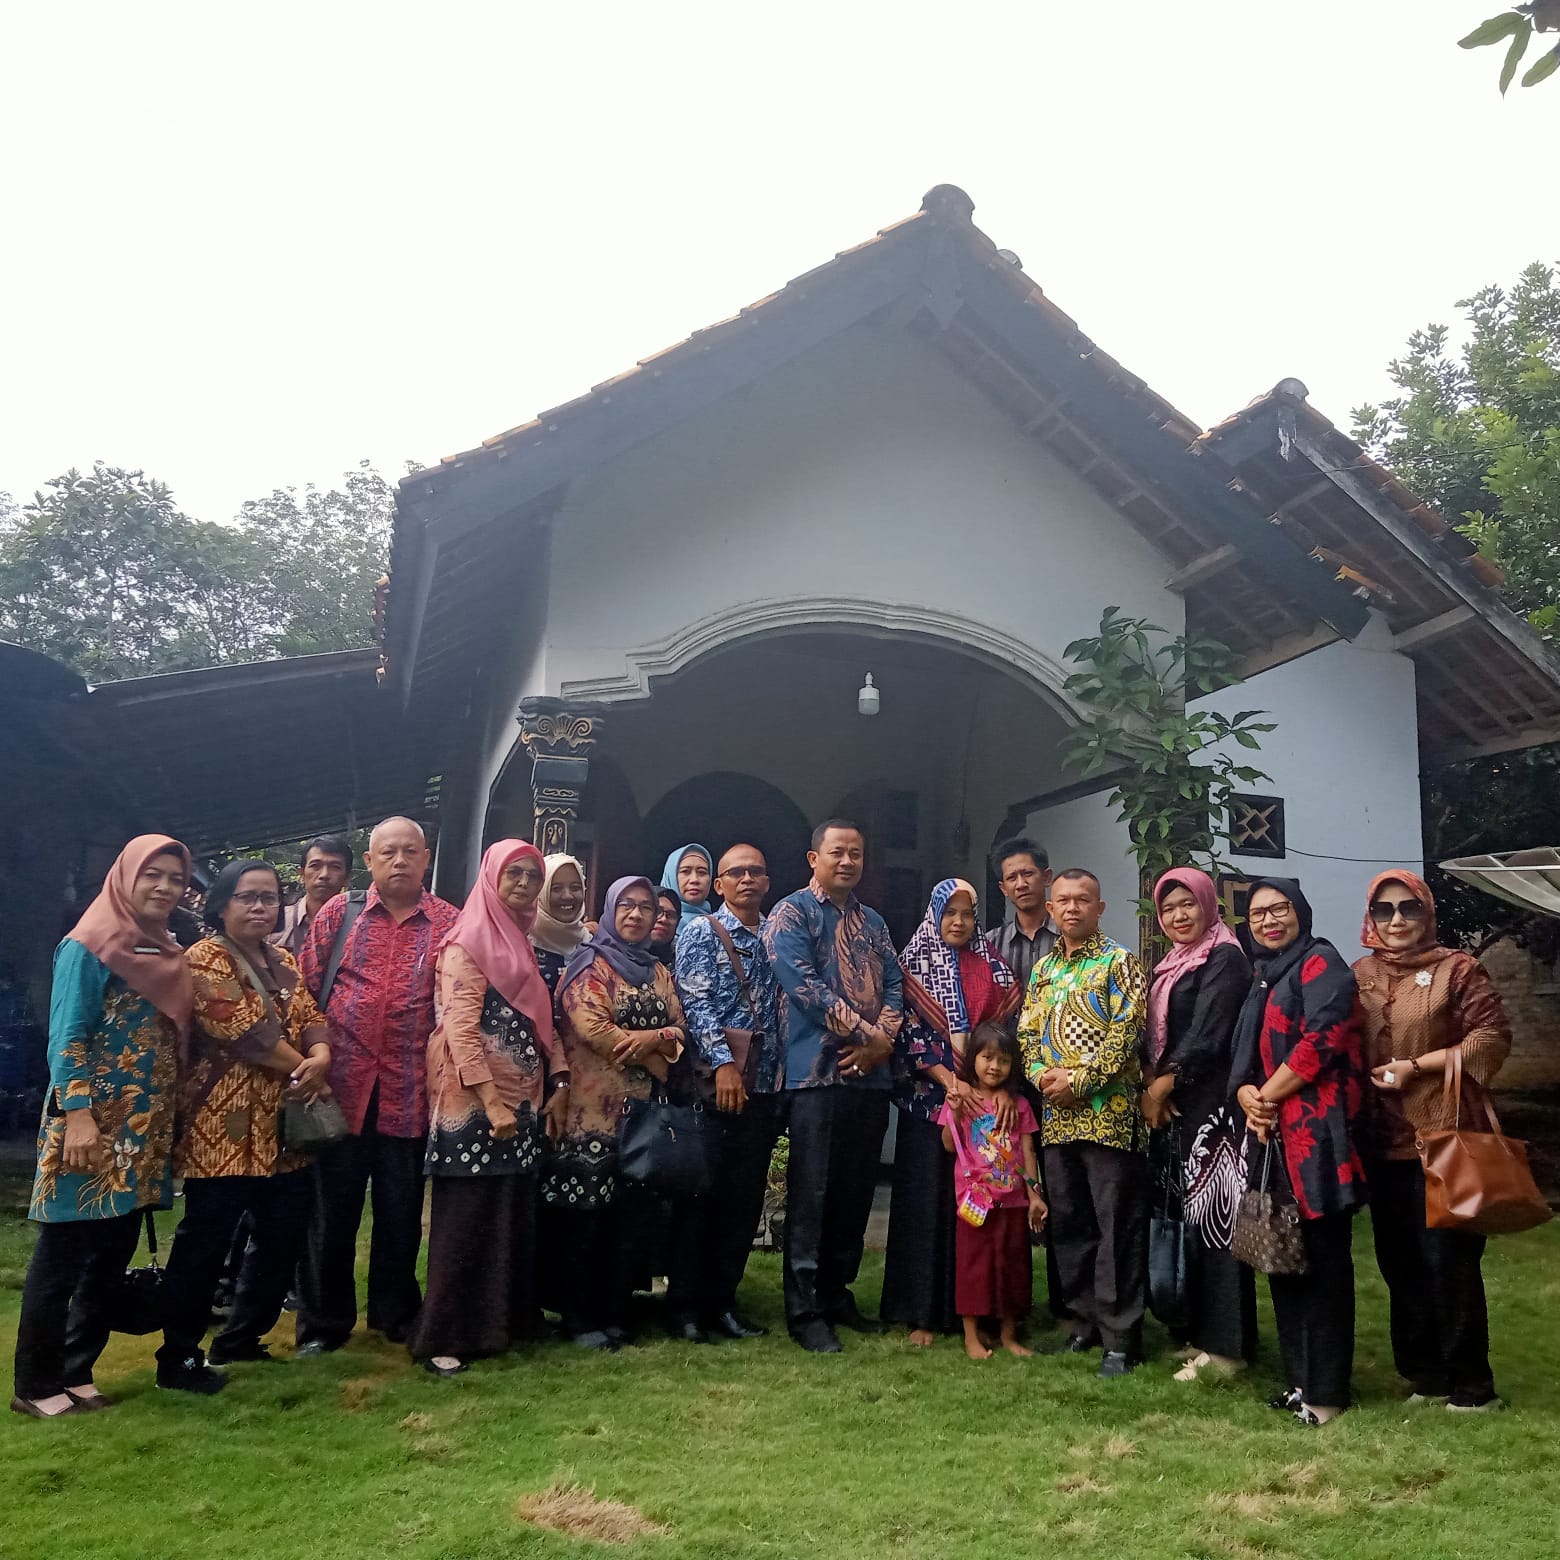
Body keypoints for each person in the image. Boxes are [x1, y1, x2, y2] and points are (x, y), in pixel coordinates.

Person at [12, 836, 193, 1419]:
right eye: (152, 876)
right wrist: (79, 1116)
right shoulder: (89, 946)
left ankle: (77, 1369)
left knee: (110, 1254)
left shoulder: (165, 950)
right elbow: (67, 1035)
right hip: (88, 1125)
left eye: (175, 877)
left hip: (141, 1132)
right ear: (125, 878)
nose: (165, 887)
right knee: (62, 1255)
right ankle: (35, 1386)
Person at [156, 860, 331, 1392]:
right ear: (221, 905)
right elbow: (242, 1031)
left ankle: (242, 1338)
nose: (261, 907)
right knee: (205, 1242)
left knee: (281, 1236)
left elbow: (308, 1015)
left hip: (283, 1127)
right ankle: (179, 1357)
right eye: (248, 897)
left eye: (271, 898)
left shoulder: (281, 959)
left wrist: (320, 1052)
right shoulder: (203, 958)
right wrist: (307, 1066)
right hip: (223, 1127)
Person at [295, 816, 459, 1354]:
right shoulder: (339, 915)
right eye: (387, 852)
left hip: (411, 1092)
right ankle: (323, 1323)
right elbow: (303, 992)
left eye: (410, 851)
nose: (399, 861)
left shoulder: (449, 923)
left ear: (426, 857)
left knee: (401, 1212)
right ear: (369, 861)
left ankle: (394, 1312)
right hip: (339, 1090)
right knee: (332, 1214)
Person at [407, 841, 571, 1377]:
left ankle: (499, 1323)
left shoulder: (519, 941)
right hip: (475, 1105)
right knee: (464, 1221)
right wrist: (490, 1101)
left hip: (520, 1103)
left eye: (532, 875)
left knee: (506, 1215)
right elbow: (459, 1030)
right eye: (514, 873)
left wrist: (558, 1081)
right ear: (491, 876)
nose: (524, 883)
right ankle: (444, 1336)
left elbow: (541, 1022)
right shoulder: (468, 943)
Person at [1353, 870, 1511, 1411]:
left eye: (1408, 909)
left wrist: (1418, 1065)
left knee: (1450, 1264)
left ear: (1427, 913)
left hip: (1443, 1139)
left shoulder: (1458, 969)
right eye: (1383, 910)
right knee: (1400, 1265)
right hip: (1380, 1144)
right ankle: (1426, 1376)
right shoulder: (1361, 975)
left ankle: (1472, 1385)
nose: (1396, 921)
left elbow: (1491, 1039)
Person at [762, 819, 904, 1353]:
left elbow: (894, 981)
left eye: (857, 854)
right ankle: (804, 1310)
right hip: (814, 1075)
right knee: (813, 1191)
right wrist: (867, 1034)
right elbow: (802, 984)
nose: (848, 862)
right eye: (838, 852)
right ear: (813, 858)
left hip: (869, 1077)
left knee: (854, 1190)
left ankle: (837, 1293)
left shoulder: (873, 922)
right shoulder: (791, 913)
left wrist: (881, 1040)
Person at [1232, 878, 1367, 1426]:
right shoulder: (1265, 973)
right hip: (1272, 1134)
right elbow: (1242, 1057)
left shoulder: (1321, 964)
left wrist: (1264, 1094)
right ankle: (1301, 1379)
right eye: (1258, 913)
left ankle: (1328, 1393)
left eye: (1279, 910)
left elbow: (1322, 1041)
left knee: (1324, 1267)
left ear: (1300, 912)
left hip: (1317, 1141)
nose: (1268, 921)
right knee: (1284, 1259)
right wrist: (1247, 1095)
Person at [547, 876, 688, 1348]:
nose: (635, 915)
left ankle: (614, 1310)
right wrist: (657, 1052)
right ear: (610, 910)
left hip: (640, 1117)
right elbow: (594, 1029)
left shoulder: (657, 970)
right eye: (625, 905)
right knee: (585, 1216)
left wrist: (657, 1040)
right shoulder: (589, 965)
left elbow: (680, 1025)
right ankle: (579, 1316)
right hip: (590, 1113)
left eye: (646, 908)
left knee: (627, 1218)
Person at [1018, 868, 1148, 1377]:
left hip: (1109, 1117)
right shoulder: (1044, 968)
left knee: (1116, 1225)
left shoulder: (1122, 963)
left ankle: (1121, 1335)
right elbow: (1027, 1033)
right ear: (1050, 910)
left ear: (1100, 907)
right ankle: (1084, 1322)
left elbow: (1127, 1031)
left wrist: (1082, 1080)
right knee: (1071, 1223)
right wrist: (1040, 1077)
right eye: (1063, 901)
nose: (1072, 908)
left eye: (1083, 900)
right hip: (1057, 1119)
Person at [882, 878, 1019, 1346]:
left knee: (977, 1210)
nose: (958, 922)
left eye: (967, 913)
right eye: (949, 913)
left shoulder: (994, 969)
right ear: (934, 915)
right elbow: (907, 1034)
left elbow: (1005, 1033)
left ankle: (982, 1311)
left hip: (982, 1108)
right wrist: (949, 1082)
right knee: (926, 1204)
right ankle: (922, 1310)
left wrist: (990, 1088)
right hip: (929, 1106)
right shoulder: (911, 966)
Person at [1142, 868, 1256, 1381]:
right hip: (1179, 1111)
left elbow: (1209, 1034)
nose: (1179, 915)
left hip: (1213, 1110)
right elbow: (1160, 1034)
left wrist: (1162, 1086)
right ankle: (1199, 1333)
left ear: (1209, 905)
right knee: (1192, 1223)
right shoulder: (1171, 964)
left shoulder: (1225, 958)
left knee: (1218, 1224)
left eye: (1188, 904)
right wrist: (1156, 1085)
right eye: (1168, 908)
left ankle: (1227, 1350)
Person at [674, 843, 784, 1340]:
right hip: (718, 1084)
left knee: (743, 1201)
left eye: (755, 872)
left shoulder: (780, 936)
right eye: (735, 873)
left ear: (766, 881)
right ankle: (687, 1309)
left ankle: (723, 1302)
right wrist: (722, 1064)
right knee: (702, 1198)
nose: (746, 879)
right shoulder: (700, 931)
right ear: (719, 885)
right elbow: (695, 1001)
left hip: (766, 1086)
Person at [939, 1023, 1047, 1360]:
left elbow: (1028, 1152)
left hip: (1013, 1202)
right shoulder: (963, 1101)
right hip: (974, 1203)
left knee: (1013, 1269)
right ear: (973, 1060)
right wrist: (955, 1110)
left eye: (1002, 1060)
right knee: (973, 1268)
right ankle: (971, 1336)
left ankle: (1008, 1335)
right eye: (987, 1057)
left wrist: (1034, 1195)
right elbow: (947, 1145)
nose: (994, 1067)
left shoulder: (1021, 1106)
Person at [988, 838, 1057, 995]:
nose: (1021, 884)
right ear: (1003, 888)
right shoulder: (991, 945)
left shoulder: (1070, 936)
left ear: (1046, 877)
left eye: (1028, 873)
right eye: (1012, 878)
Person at [271, 835, 353, 958]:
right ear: (302, 874)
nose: (324, 875)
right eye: (315, 866)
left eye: (335, 867)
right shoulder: (275, 921)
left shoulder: (359, 925)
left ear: (347, 878)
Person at [531, 854, 591, 994]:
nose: (567, 896)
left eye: (575, 888)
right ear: (540, 892)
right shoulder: (521, 946)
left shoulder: (593, 944)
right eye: (556, 889)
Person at [661, 843, 714, 940]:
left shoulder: (723, 927)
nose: (694, 880)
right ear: (671, 877)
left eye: (702, 872)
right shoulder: (654, 925)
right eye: (685, 871)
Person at [651, 889, 683, 968]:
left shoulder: (683, 961)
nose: (663, 919)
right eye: (658, 911)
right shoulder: (620, 958)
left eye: (671, 915)